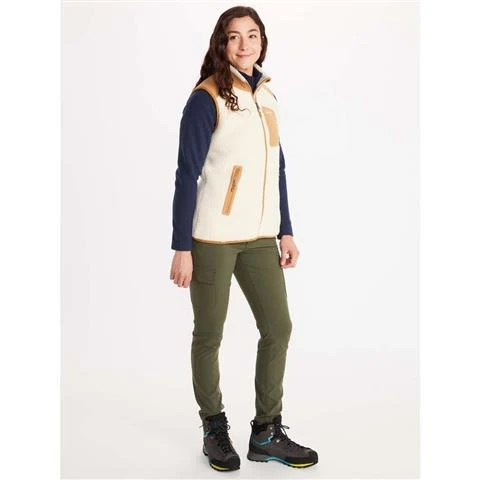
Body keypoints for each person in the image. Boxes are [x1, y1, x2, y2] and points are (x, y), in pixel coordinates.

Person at [169, 5, 318, 472]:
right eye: (234, 36)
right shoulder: (207, 97)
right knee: (209, 335)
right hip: (213, 239)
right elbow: (186, 174)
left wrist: (285, 229)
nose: (244, 44)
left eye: (252, 35)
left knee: (278, 327)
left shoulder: (266, 95)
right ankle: (214, 428)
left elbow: (278, 167)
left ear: (262, 41)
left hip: (260, 237)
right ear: (222, 43)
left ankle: (266, 432)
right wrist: (181, 246)